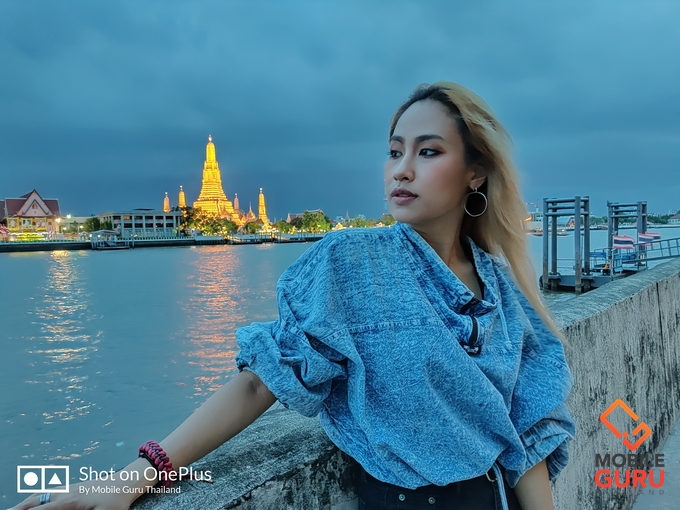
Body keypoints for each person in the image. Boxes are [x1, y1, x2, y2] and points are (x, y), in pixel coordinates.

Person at [12, 82, 575, 510]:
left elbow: (527, 430)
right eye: (394, 151)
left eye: (428, 152)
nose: (401, 171)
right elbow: (262, 381)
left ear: (475, 172)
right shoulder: (351, 261)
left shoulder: (501, 287)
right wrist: (133, 477)